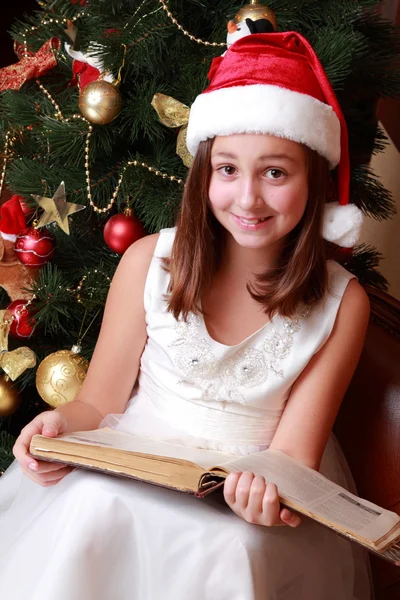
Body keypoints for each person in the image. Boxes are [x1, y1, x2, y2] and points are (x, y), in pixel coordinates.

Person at [0, 29, 372, 600]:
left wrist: (266, 491)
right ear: (205, 175)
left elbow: (294, 456)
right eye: (228, 170)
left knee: (230, 551)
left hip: (245, 495)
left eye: (275, 173)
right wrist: (58, 427)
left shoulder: (342, 304)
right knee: (91, 507)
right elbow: (97, 402)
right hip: (133, 465)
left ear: (312, 179)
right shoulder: (150, 261)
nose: (247, 198)